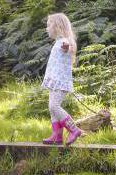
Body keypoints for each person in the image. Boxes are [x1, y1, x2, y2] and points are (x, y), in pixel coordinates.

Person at [41, 13, 83, 146]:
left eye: (49, 25)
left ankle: (74, 129)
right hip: (54, 81)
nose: (47, 28)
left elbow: (68, 48)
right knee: (52, 108)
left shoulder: (64, 41)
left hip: (60, 82)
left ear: (57, 26)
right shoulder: (59, 42)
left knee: (54, 106)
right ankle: (56, 136)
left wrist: (67, 47)